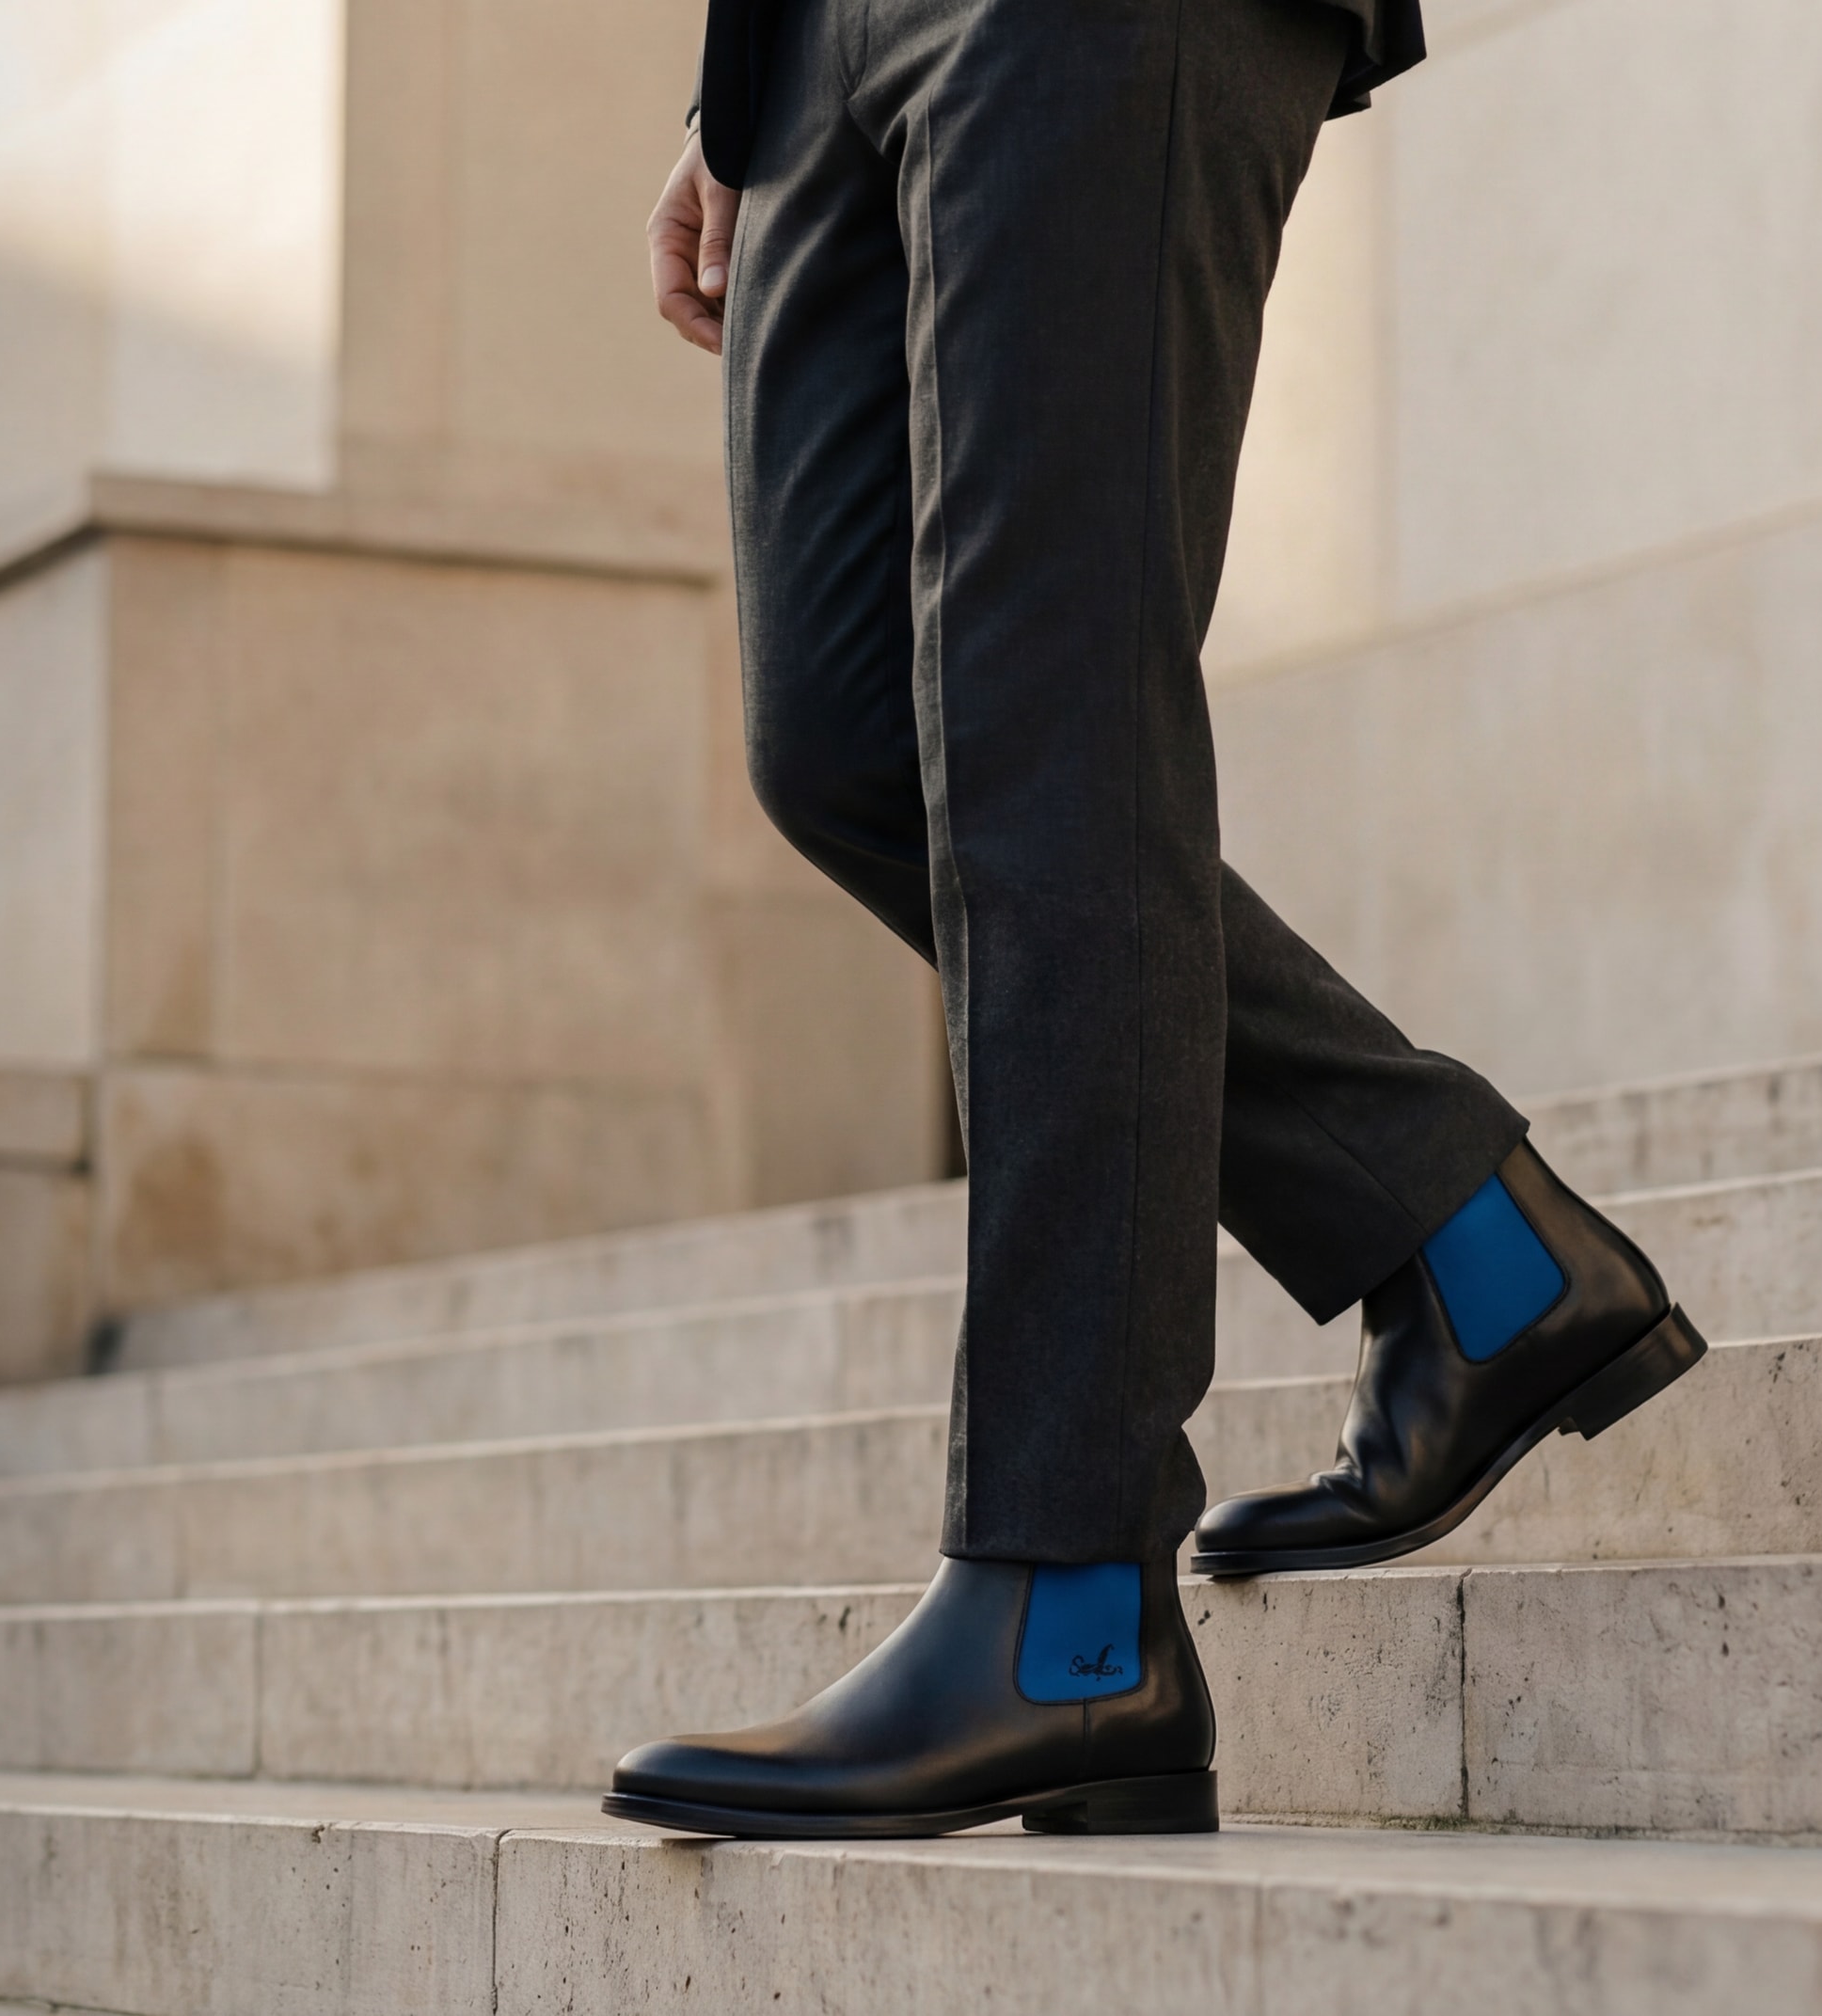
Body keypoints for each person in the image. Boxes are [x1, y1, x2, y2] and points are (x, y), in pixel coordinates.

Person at [599, 0, 1707, 1842]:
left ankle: (1068, 1605)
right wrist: (744, 75)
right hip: (808, 51)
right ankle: (1476, 1247)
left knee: (1046, 713)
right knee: (851, 740)